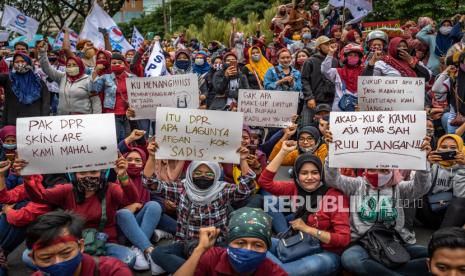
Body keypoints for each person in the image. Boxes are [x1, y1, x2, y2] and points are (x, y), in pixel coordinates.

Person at [325, 131, 433, 275]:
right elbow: (333, 179)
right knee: (350, 259)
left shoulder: (400, 188)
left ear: (392, 170)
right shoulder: (357, 185)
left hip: (395, 241)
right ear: (364, 169)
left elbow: (422, 187)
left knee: (435, 255)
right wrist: (332, 153)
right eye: (371, 169)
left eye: (383, 170)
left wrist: (423, 160)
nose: (377, 174)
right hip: (362, 242)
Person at [143, 141, 256, 274]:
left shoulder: (222, 190)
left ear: (216, 175)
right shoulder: (181, 188)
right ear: (190, 173)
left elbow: (246, 188)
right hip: (185, 244)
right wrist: (151, 156)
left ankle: (188, 270)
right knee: (158, 253)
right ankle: (199, 271)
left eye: (209, 174)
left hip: (215, 245)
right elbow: (149, 183)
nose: (203, 177)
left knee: (230, 258)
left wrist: (242, 160)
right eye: (198, 173)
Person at [16, 155, 138, 267]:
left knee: (129, 258)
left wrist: (123, 176)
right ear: (74, 175)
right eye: (83, 173)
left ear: (102, 173)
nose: (88, 176)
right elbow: (40, 197)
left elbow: (131, 199)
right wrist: (28, 177)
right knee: (28, 256)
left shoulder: (112, 189)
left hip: (104, 244)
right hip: (70, 245)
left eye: (94, 172)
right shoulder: (67, 190)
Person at [260, 146, 350, 275]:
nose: (309, 177)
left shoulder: (335, 197)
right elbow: (265, 182)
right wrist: (283, 152)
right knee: (254, 244)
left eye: (314, 172)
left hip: (326, 254)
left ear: (321, 174)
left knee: (283, 271)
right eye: (304, 173)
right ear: (297, 175)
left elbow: (343, 239)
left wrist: (308, 229)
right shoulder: (294, 188)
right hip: (297, 243)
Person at [174, 208, 288, 276]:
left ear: (267, 249)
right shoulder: (213, 257)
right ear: (228, 243)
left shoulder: (272, 271)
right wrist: (200, 250)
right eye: (240, 243)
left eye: (257, 245)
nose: (247, 249)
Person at [26, 210, 132, 276]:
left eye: (66, 253)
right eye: (46, 258)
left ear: (81, 246)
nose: (58, 262)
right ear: (33, 259)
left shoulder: (113, 272)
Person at [116, 147, 165, 273]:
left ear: (144, 162)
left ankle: (139, 249)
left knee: (154, 205)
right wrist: (129, 207)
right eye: (129, 159)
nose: (133, 163)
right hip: (122, 228)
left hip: (142, 223)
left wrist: (140, 205)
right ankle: (150, 251)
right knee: (123, 213)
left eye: (138, 160)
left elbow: (145, 201)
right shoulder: (118, 178)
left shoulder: (146, 180)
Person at [38, 42, 101, 115]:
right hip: (64, 119)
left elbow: (95, 101)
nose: (71, 67)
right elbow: (47, 68)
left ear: (81, 66)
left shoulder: (88, 80)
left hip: (83, 119)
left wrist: (96, 118)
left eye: (74, 65)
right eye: (69, 65)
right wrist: (42, 53)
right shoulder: (62, 77)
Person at [416, 134, 465, 229]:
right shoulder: (433, 165)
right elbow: (418, 188)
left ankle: (443, 235)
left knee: (461, 201)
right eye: (443, 147)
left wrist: (463, 168)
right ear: (437, 149)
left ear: (460, 149)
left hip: (454, 216)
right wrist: (426, 164)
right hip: (429, 211)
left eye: (453, 147)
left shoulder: (463, 167)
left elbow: (460, 196)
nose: (448, 150)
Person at [0, 52, 50, 126]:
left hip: (34, 123)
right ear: (13, 64)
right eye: (17, 62)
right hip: (13, 122)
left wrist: (43, 119)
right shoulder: (8, 79)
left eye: (23, 61)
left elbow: (46, 101)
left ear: (29, 63)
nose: (20, 64)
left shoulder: (38, 81)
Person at [301, 35, 337, 127]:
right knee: (306, 127)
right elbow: (305, 80)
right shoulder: (309, 61)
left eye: (330, 43)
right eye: (325, 44)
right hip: (313, 101)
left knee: (330, 129)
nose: (329, 46)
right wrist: (309, 97)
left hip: (329, 101)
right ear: (318, 47)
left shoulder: (335, 61)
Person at [363, 37, 431, 81]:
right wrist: (372, 61)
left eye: (404, 46)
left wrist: (411, 62)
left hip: (411, 100)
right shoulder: (382, 63)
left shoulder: (414, 61)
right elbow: (368, 81)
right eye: (399, 46)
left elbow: (427, 77)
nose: (402, 49)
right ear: (392, 48)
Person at [322, 43, 364, 111]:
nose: (353, 57)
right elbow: (325, 70)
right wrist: (330, 53)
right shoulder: (337, 72)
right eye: (350, 55)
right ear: (345, 57)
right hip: (339, 111)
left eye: (355, 55)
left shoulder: (364, 72)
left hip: (358, 109)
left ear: (360, 58)